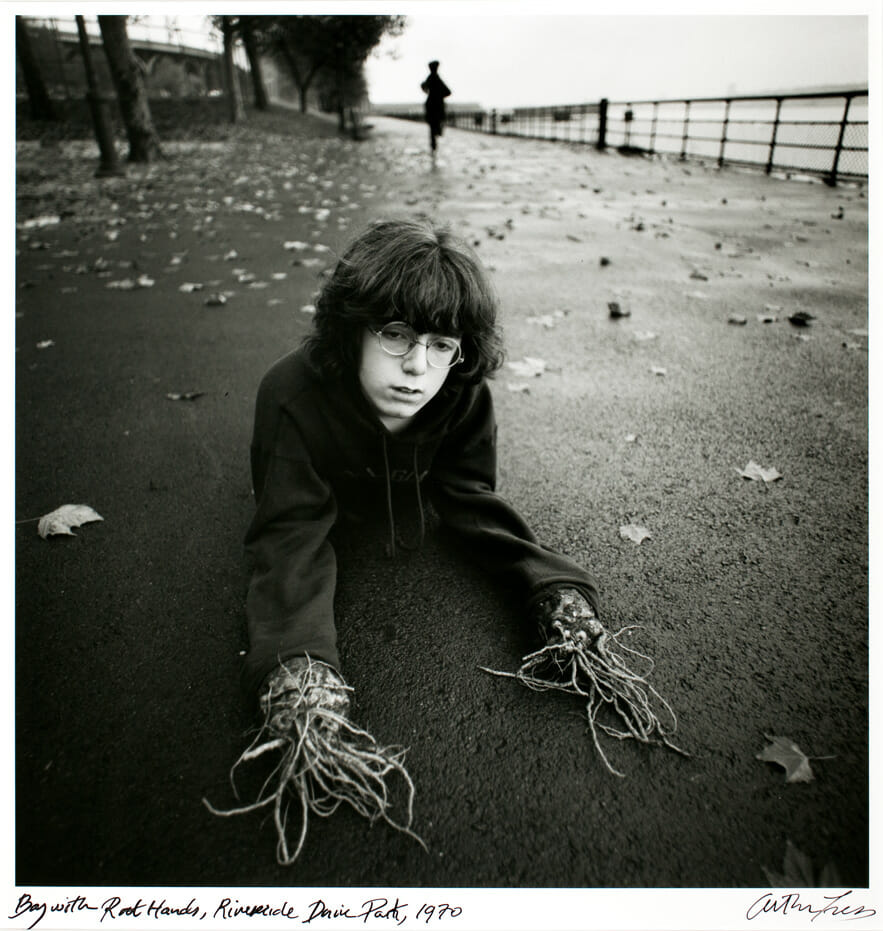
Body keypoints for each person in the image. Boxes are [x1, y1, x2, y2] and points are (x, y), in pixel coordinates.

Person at [205, 217, 683, 865]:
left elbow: (470, 499)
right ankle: (306, 695)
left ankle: (564, 614)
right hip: (323, 492)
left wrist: (553, 592)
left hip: (415, 489)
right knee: (296, 552)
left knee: (487, 526)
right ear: (351, 327)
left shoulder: (460, 393)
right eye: (395, 335)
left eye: (439, 343)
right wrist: (298, 662)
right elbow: (290, 530)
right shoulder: (290, 395)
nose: (415, 366)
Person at [420, 60, 451, 153]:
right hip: (437, 105)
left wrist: (428, 92)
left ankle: (433, 143)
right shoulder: (437, 78)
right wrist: (440, 95)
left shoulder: (429, 78)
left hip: (430, 104)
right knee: (437, 123)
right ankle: (436, 138)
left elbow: (423, 86)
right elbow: (448, 92)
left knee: (432, 125)